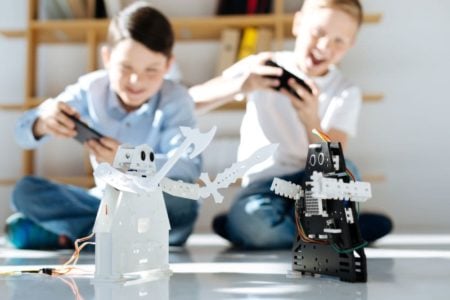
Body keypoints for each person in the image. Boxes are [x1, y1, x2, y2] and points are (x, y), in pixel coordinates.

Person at [190, 0, 392, 249]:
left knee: (345, 171)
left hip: (313, 186)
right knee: (256, 221)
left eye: (339, 41)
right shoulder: (262, 65)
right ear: (298, 24)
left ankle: (248, 230)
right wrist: (242, 84)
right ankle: (339, 231)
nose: (324, 46)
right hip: (264, 188)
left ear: (350, 45)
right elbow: (191, 102)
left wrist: (311, 119)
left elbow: (334, 163)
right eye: (318, 32)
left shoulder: (345, 92)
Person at [6, 2, 200, 249]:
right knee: (25, 190)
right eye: (126, 67)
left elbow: (188, 170)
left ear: (168, 66)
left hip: (157, 204)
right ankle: (111, 237)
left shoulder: (177, 98)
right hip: (106, 201)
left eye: (151, 70)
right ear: (107, 57)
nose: (135, 80)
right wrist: (42, 123)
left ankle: (73, 233)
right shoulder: (91, 88)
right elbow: (21, 134)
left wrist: (128, 159)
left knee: (180, 202)